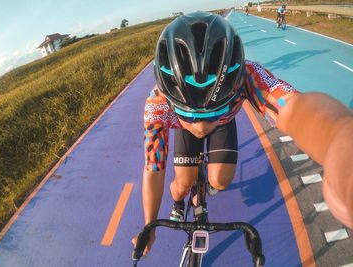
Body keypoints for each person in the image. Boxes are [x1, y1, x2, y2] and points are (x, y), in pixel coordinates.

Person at [132, 11, 353, 256]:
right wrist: (148, 224)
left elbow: (294, 109)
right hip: (223, 123)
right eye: (190, 116)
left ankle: (201, 174)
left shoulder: (248, 74)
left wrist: (337, 137)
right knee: (182, 185)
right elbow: (153, 168)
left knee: (220, 181)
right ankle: (179, 200)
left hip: (222, 125)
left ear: (235, 81)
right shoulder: (156, 104)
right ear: (166, 96)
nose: (201, 127)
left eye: (214, 110)